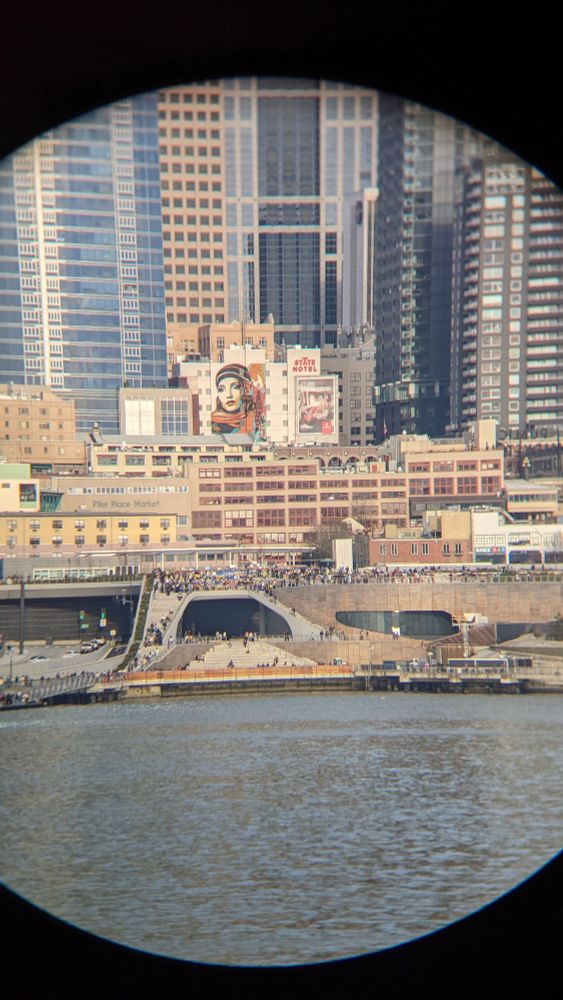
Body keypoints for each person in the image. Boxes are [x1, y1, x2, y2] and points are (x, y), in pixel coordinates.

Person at [210, 363, 266, 439]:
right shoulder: (215, 423)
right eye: (221, 389)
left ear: (246, 389)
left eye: (235, 387)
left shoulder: (254, 416)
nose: (229, 395)